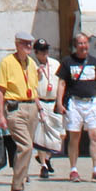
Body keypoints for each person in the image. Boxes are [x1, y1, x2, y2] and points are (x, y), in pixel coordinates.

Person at [0, 32, 42, 191]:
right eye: (25, 43)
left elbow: (33, 88)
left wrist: (39, 108)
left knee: (25, 148)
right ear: (17, 44)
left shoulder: (32, 63)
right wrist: (0, 116)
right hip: (15, 108)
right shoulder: (7, 62)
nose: (29, 46)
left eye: (30, 43)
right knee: (26, 146)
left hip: (31, 107)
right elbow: (0, 91)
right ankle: (17, 188)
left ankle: (20, 185)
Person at [58, 31, 96, 183]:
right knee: (74, 136)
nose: (83, 46)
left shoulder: (94, 62)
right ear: (76, 46)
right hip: (75, 102)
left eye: (85, 43)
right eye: (80, 43)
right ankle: (73, 169)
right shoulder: (68, 62)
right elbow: (62, 83)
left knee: (95, 135)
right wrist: (59, 103)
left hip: (91, 102)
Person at [30, 37, 65, 179]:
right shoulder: (32, 66)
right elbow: (31, 88)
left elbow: (60, 83)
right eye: (42, 51)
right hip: (41, 102)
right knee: (42, 135)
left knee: (60, 134)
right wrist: (38, 106)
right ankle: (43, 165)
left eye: (46, 50)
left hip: (54, 102)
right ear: (36, 52)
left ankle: (47, 157)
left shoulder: (55, 64)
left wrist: (60, 101)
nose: (45, 53)